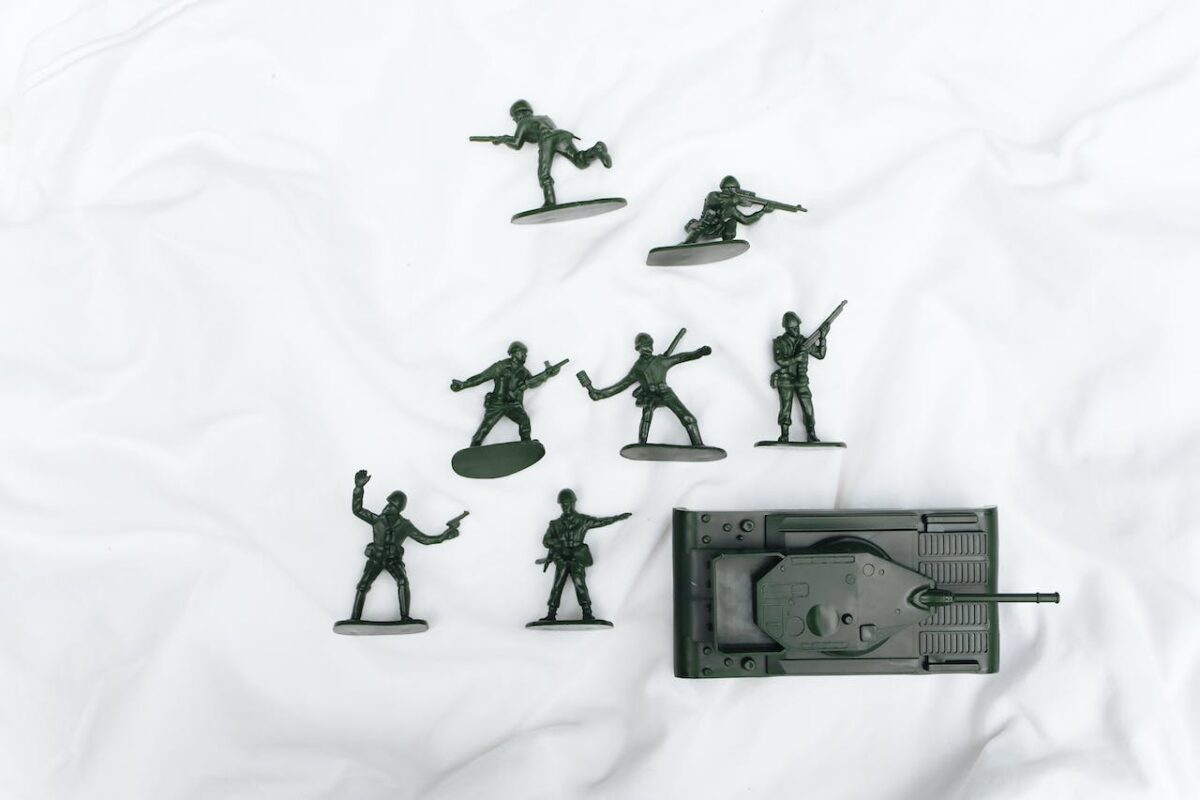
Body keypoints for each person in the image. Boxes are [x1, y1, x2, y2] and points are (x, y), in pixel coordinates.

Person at [347, 470, 461, 622]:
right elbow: (357, 510)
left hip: (393, 560)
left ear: (397, 509)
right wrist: (359, 488)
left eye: (391, 505)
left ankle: (405, 617)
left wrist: (445, 535)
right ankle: (354, 618)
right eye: (388, 504)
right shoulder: (378, 520)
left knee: (402, 581)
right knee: (362, 585)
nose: (387, 507)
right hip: (376, 558)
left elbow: (426, 539)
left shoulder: (405, 526)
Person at [584, 332, 712, 446]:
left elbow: (681, 357)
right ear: (638, 348)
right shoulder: (638, 368)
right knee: (647, 415)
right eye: (645, 345)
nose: (649, 348)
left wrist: (699, 352)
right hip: (650, 396)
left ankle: (698, 444)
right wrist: (600, 394)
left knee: (689, 418)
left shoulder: (661, 361)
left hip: (666, 394)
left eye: (650, 344)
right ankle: (642, 444)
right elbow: (622, 385)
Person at [482, 99, 611, 206]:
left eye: (514, 117)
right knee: (579, 161)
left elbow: (517, 145)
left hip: (547, 140)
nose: (515, 120)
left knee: (543, 174)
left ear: (518, 114)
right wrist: (505, 138)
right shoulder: (545, 118)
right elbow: (548, 132)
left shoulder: (523, 123)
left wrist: (503, 140)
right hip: (562, 134)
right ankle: (596, 149)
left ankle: (550, 202)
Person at [537, 489, 631, 621]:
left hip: (577, 559)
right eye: (563, 504)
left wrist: (617, 518)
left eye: (568, 503)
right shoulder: (555, 524)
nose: (566, 506)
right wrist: (558, 543)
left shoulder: (582, 520)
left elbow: (601, 522)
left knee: (580, 585)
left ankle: (587, 612)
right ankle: (551, 613)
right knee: (557, 586)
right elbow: (546, 541)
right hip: (562, 559)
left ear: (573, 503)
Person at [450, 341, 563, 446]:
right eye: (523, 353)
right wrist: (463, 384)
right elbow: (481, 377)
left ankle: (526, 444)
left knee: (524, 421)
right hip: (497, 403)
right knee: (485, 427)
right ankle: (474, 447)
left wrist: (547, 375)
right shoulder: (500, 366)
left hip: (513, 404)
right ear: (514, 353)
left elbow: (532, 383)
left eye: (525, 354)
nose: (525, 356)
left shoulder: (524, 371)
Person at [771, 311, 826, 442]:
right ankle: (784, 435)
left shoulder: (804, 342)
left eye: (798, 327)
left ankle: (811, 433)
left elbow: (820, 355)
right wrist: (796, 358)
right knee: (785, 408)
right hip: (785, 379)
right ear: (786, 328)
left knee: (808, 408)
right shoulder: (779, 342)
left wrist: (823, 338)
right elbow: (779, 360)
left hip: (801, 380)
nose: (797, 330)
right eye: (793, 328)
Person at [682, 175, 772, 243]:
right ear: (728, 188)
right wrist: (737, 199)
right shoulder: (713, 195)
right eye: (735, 189)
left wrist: (763, 211)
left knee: (732, 222)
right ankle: (686, 244)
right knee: (710, 214)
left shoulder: (731, 209)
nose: (736, 192)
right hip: (699, 228)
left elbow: (745, 220)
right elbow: (716, 201)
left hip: (716, 230)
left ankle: (727, 243)